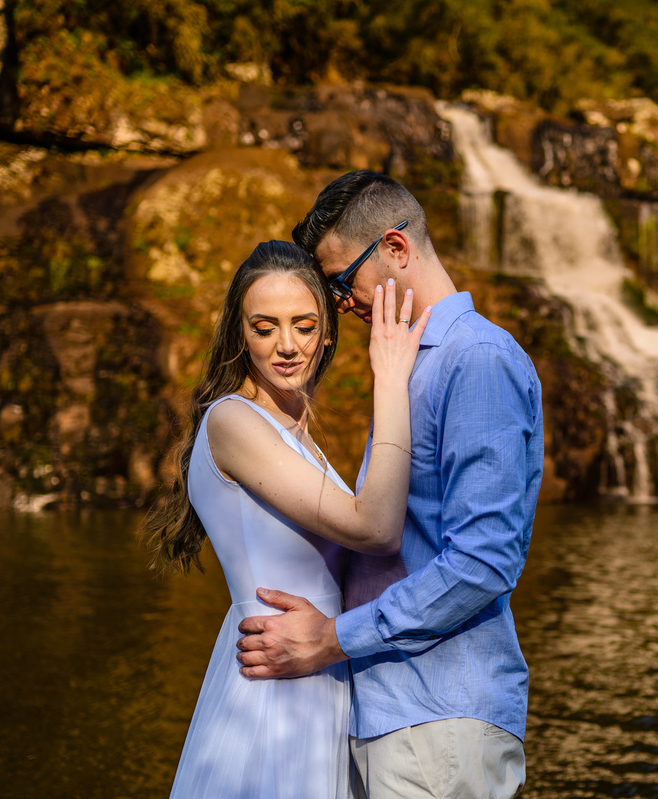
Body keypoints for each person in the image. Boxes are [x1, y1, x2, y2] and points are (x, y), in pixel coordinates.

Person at [235, 171, 544, 799]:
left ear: (396, 249)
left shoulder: (476, 358)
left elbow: (485, 562)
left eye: (344, 281)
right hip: (394, 715)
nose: (341, 303)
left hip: (441, 719)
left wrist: (332, 639)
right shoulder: (408, 363)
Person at [142, 239, 430, 798]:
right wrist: (391, 378)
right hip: (275, 689)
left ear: (326, 332)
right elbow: (375, 527)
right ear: (239, 334)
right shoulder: (233, 421)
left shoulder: (294, 435)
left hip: (316, 666)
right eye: (264, 327)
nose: (287, 346)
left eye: (303, 324)